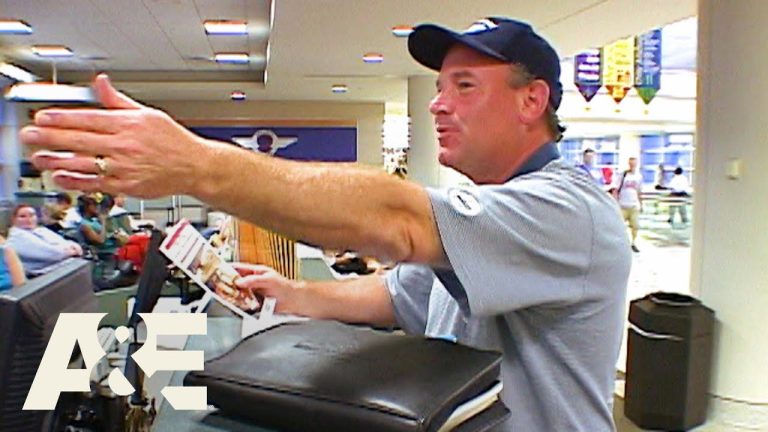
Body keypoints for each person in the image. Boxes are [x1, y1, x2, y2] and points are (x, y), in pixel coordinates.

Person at [22, 17, 631, 431]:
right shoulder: (484, 212)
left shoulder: (567, 210)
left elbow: (397, 219)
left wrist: (198, 165)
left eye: (464, 87)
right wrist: (298, 295)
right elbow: (398, 293)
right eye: (439, 87)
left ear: (533, 101)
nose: (439, 104)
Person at [6, 204, 83, 275]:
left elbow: (66, 243)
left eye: (32, 215)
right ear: (13, 219)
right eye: (22, 216)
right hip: (43, 278)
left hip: (65, 269)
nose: (28, 219)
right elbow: (54, 254)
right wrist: (71, 251)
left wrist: (70, 248)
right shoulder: (17, 238)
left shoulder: (41, 230)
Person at [612, 157, 643, 252]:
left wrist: (641, 203)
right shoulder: (623, 175)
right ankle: (620, 243)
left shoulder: (639, 176)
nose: (633, 165)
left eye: (634, 164)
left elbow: (639, 191)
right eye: (631, 163)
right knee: (620, 226)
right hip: (623, 205)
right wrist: (615, 201)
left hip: (634, 205)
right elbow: (615, 189)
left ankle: (633, 242)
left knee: (635, 225)